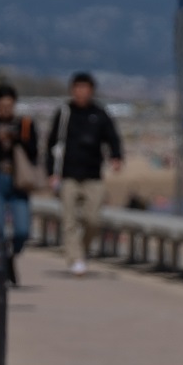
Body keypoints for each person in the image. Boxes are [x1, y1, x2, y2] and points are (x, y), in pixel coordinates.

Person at [44, 71, 123, 277]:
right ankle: (75, 259)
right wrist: (51, 172)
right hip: (67, 175)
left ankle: (82, 251)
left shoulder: (99, 114)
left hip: (93, 175)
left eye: (85, 88)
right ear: (72, 90)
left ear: (91, 91)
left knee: (93, 220)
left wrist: (116, 157)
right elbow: (52, 144)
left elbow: (113, 137)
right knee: (69, 220)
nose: (81, 92)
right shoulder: (64, 113)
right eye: (77, 88)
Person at [0, 83, 40, 285]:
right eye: (2, 106)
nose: (6, 110)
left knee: (22, 230)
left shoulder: (25, 125)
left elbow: (34, 154)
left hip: (18, 182)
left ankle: (11, 256)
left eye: (9, 105)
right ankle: (2, 266)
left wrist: (19, 139)